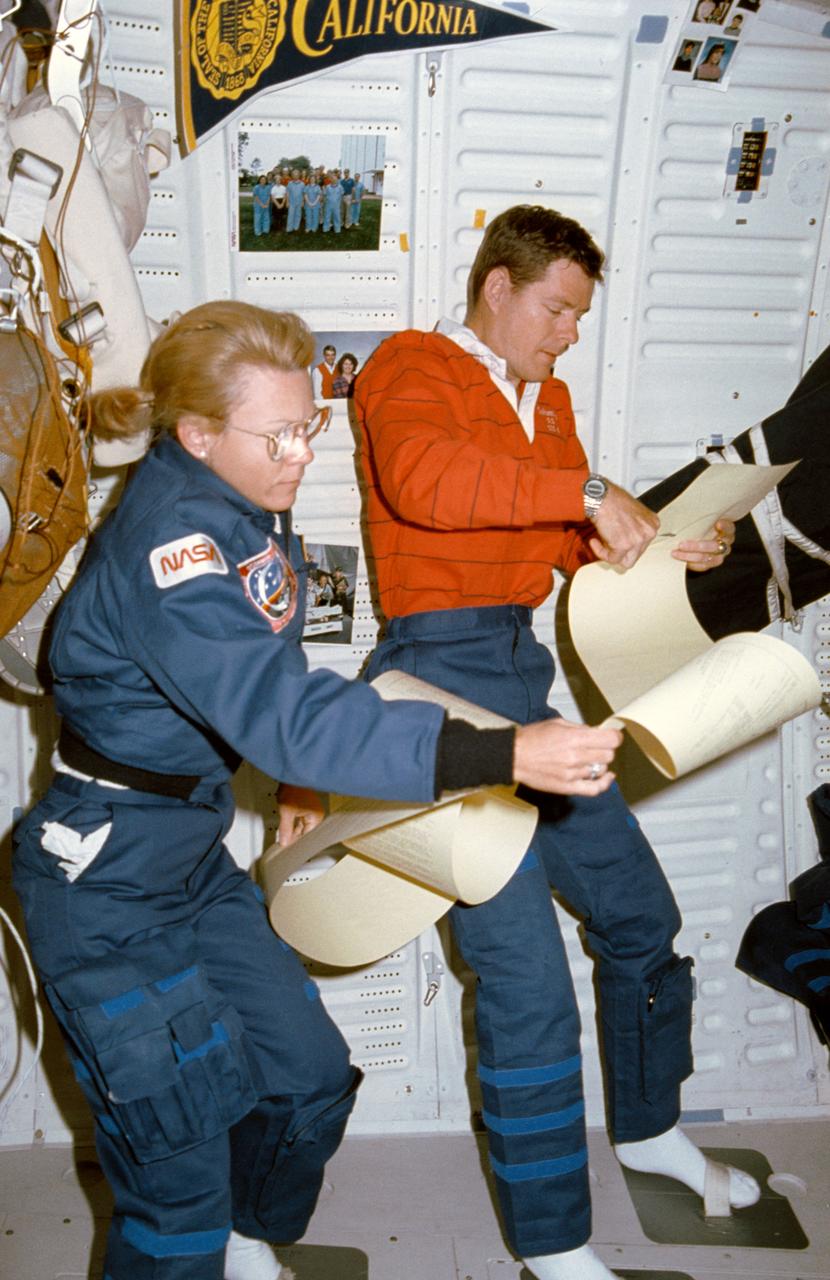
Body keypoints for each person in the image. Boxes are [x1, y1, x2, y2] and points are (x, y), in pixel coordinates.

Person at [11, 298, 624, 1280]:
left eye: (310, 424)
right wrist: (499, 750)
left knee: (301, 1080)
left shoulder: (251, 495)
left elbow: (278, 646)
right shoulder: (178, 549)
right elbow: (285, 710)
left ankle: (243, 1241)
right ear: (195, 432)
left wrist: (295, 782)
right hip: (104, 877)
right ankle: (198, 1242)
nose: (301, 452)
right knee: (176, 1175)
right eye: (279, 434)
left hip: (188, 853)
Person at [354, 205, 758, 1280]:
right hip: (431, 684)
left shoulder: (553, 400)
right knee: (524, 974)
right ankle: (551, 1245)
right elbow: (426, 485)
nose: (568, 332)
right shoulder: (410, 363)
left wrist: (663, 540)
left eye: (579, 315)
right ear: (497, 285)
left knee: (638, 915)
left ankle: (644, 1128)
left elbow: (562, 546)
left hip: (523, 679)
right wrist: (584, 491)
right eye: (557, 309)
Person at [285, 169, 305, 233]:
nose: (295, 175)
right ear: (292, 175)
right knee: (291, 215)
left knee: (298, 214)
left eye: (297, 174)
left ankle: (296, 227)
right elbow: (287, 193)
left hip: (299, 202)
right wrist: (287, 202)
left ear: (299, 175)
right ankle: (289, 228)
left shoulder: (302, 184)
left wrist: (302, 202)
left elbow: (303, 193)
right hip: (291, 202)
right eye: (294, 174)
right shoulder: (289, 183)